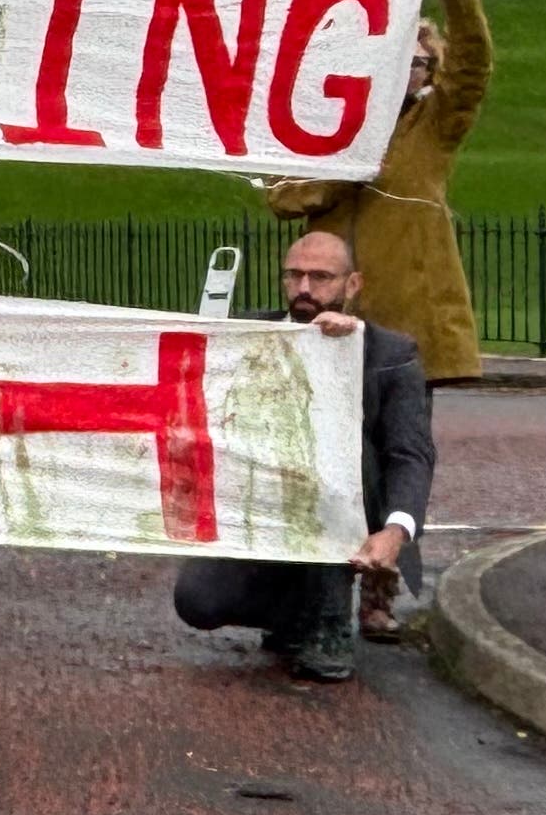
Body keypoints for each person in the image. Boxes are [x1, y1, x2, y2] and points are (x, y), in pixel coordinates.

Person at [263, 0, 484, 636]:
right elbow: (280, 196)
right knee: (316, 456)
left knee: (395, 456)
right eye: (390, 62)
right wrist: (346, 171)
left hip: (404, 323)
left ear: (427, 72)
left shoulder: (436, 125)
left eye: (414, 63)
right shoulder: (330, 130)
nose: (403, 73)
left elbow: (475, 68)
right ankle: (297, 589)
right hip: (327, 318)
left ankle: (379, 590)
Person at [173, 228, 430, 683]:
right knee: (198, 600)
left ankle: (329, 618)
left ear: (353, 285)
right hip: (266, 509)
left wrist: (396, 531)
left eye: (321, 277)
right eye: (293, 276)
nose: (305, 289)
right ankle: (298, 611)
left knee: (338, 452)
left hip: (349, 508)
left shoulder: (391, 354)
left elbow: (409, 454)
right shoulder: (254, 334)